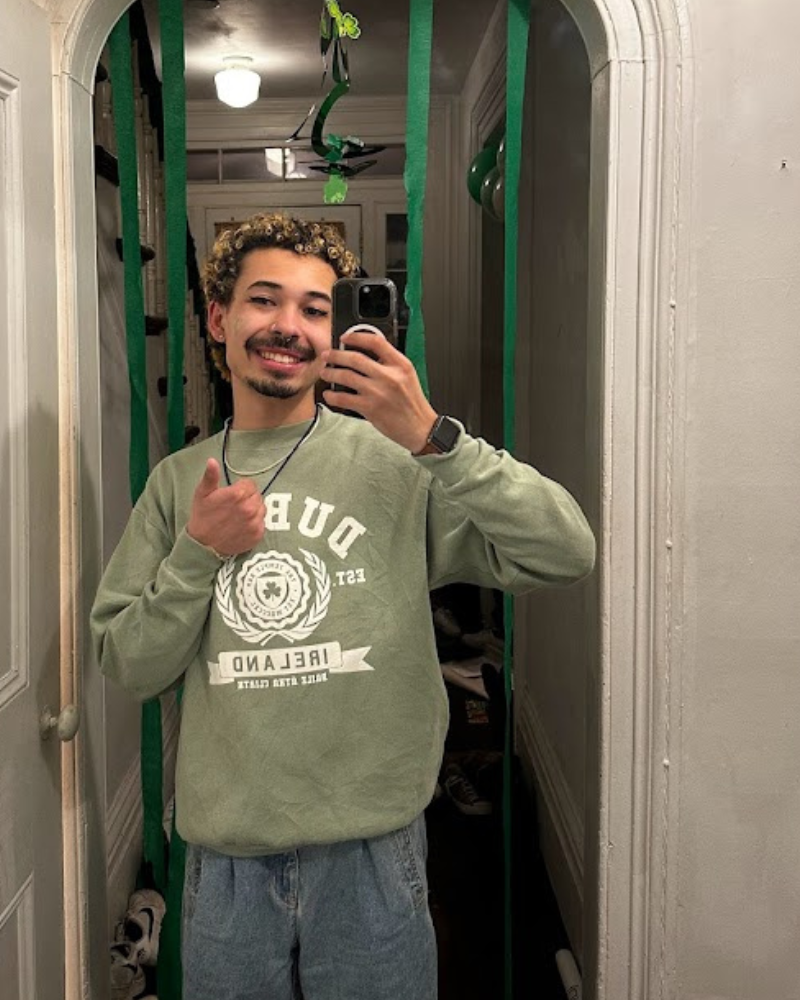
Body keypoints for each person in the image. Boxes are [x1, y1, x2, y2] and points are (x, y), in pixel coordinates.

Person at [91, 212, 595, 1000]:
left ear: (337, 331)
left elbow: (566, 552)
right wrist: (198, 552)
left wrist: (435, 438)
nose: (288, 326)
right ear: (220, 319)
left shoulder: (399, 465)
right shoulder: (175, 483)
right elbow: (130, 662)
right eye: (264, 300)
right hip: (227, 863)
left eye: (315, 309)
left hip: (374, 855)